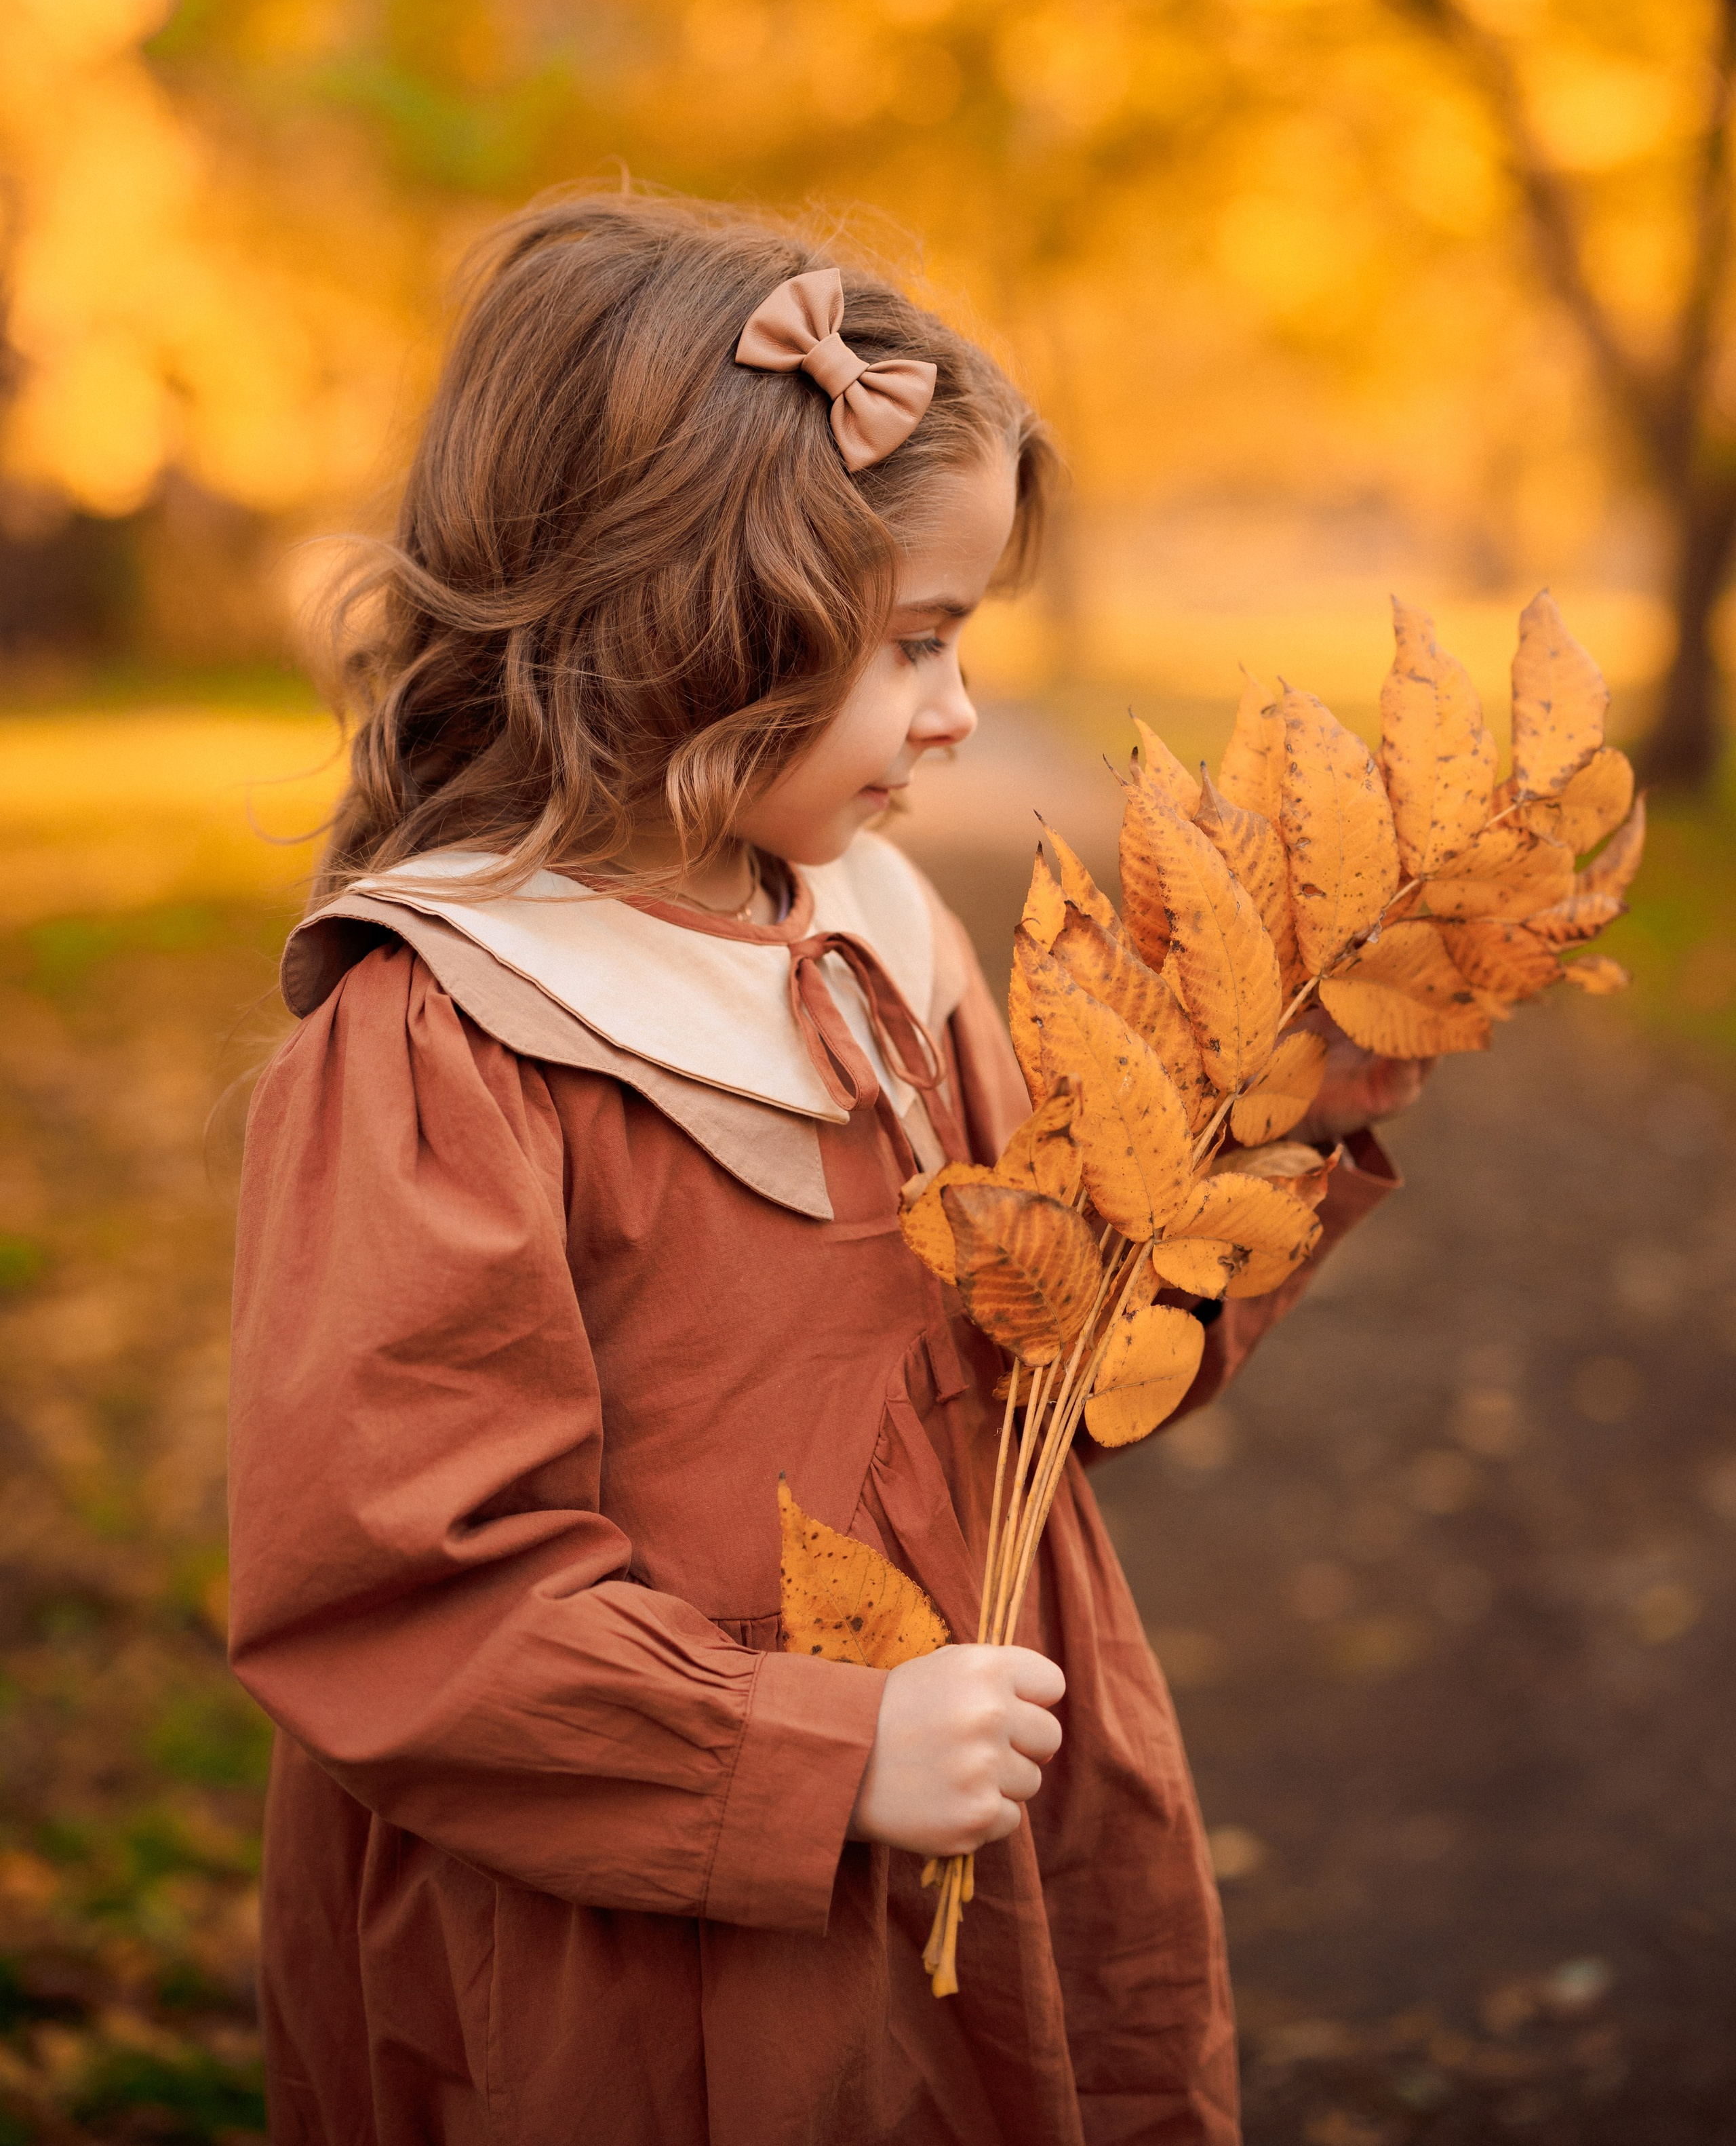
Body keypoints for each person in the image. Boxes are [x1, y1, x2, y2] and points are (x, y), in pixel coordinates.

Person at [228, 190, 1408, 2146]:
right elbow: (391, 1592)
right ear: (695, 626)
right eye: (916, 646)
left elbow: (1045, 1384)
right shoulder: (450, 1038)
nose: (955, 713)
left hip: (977, 1806)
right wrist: (814, 1749)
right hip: (655, 1915)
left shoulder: (870, 943)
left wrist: (1264, 1139)